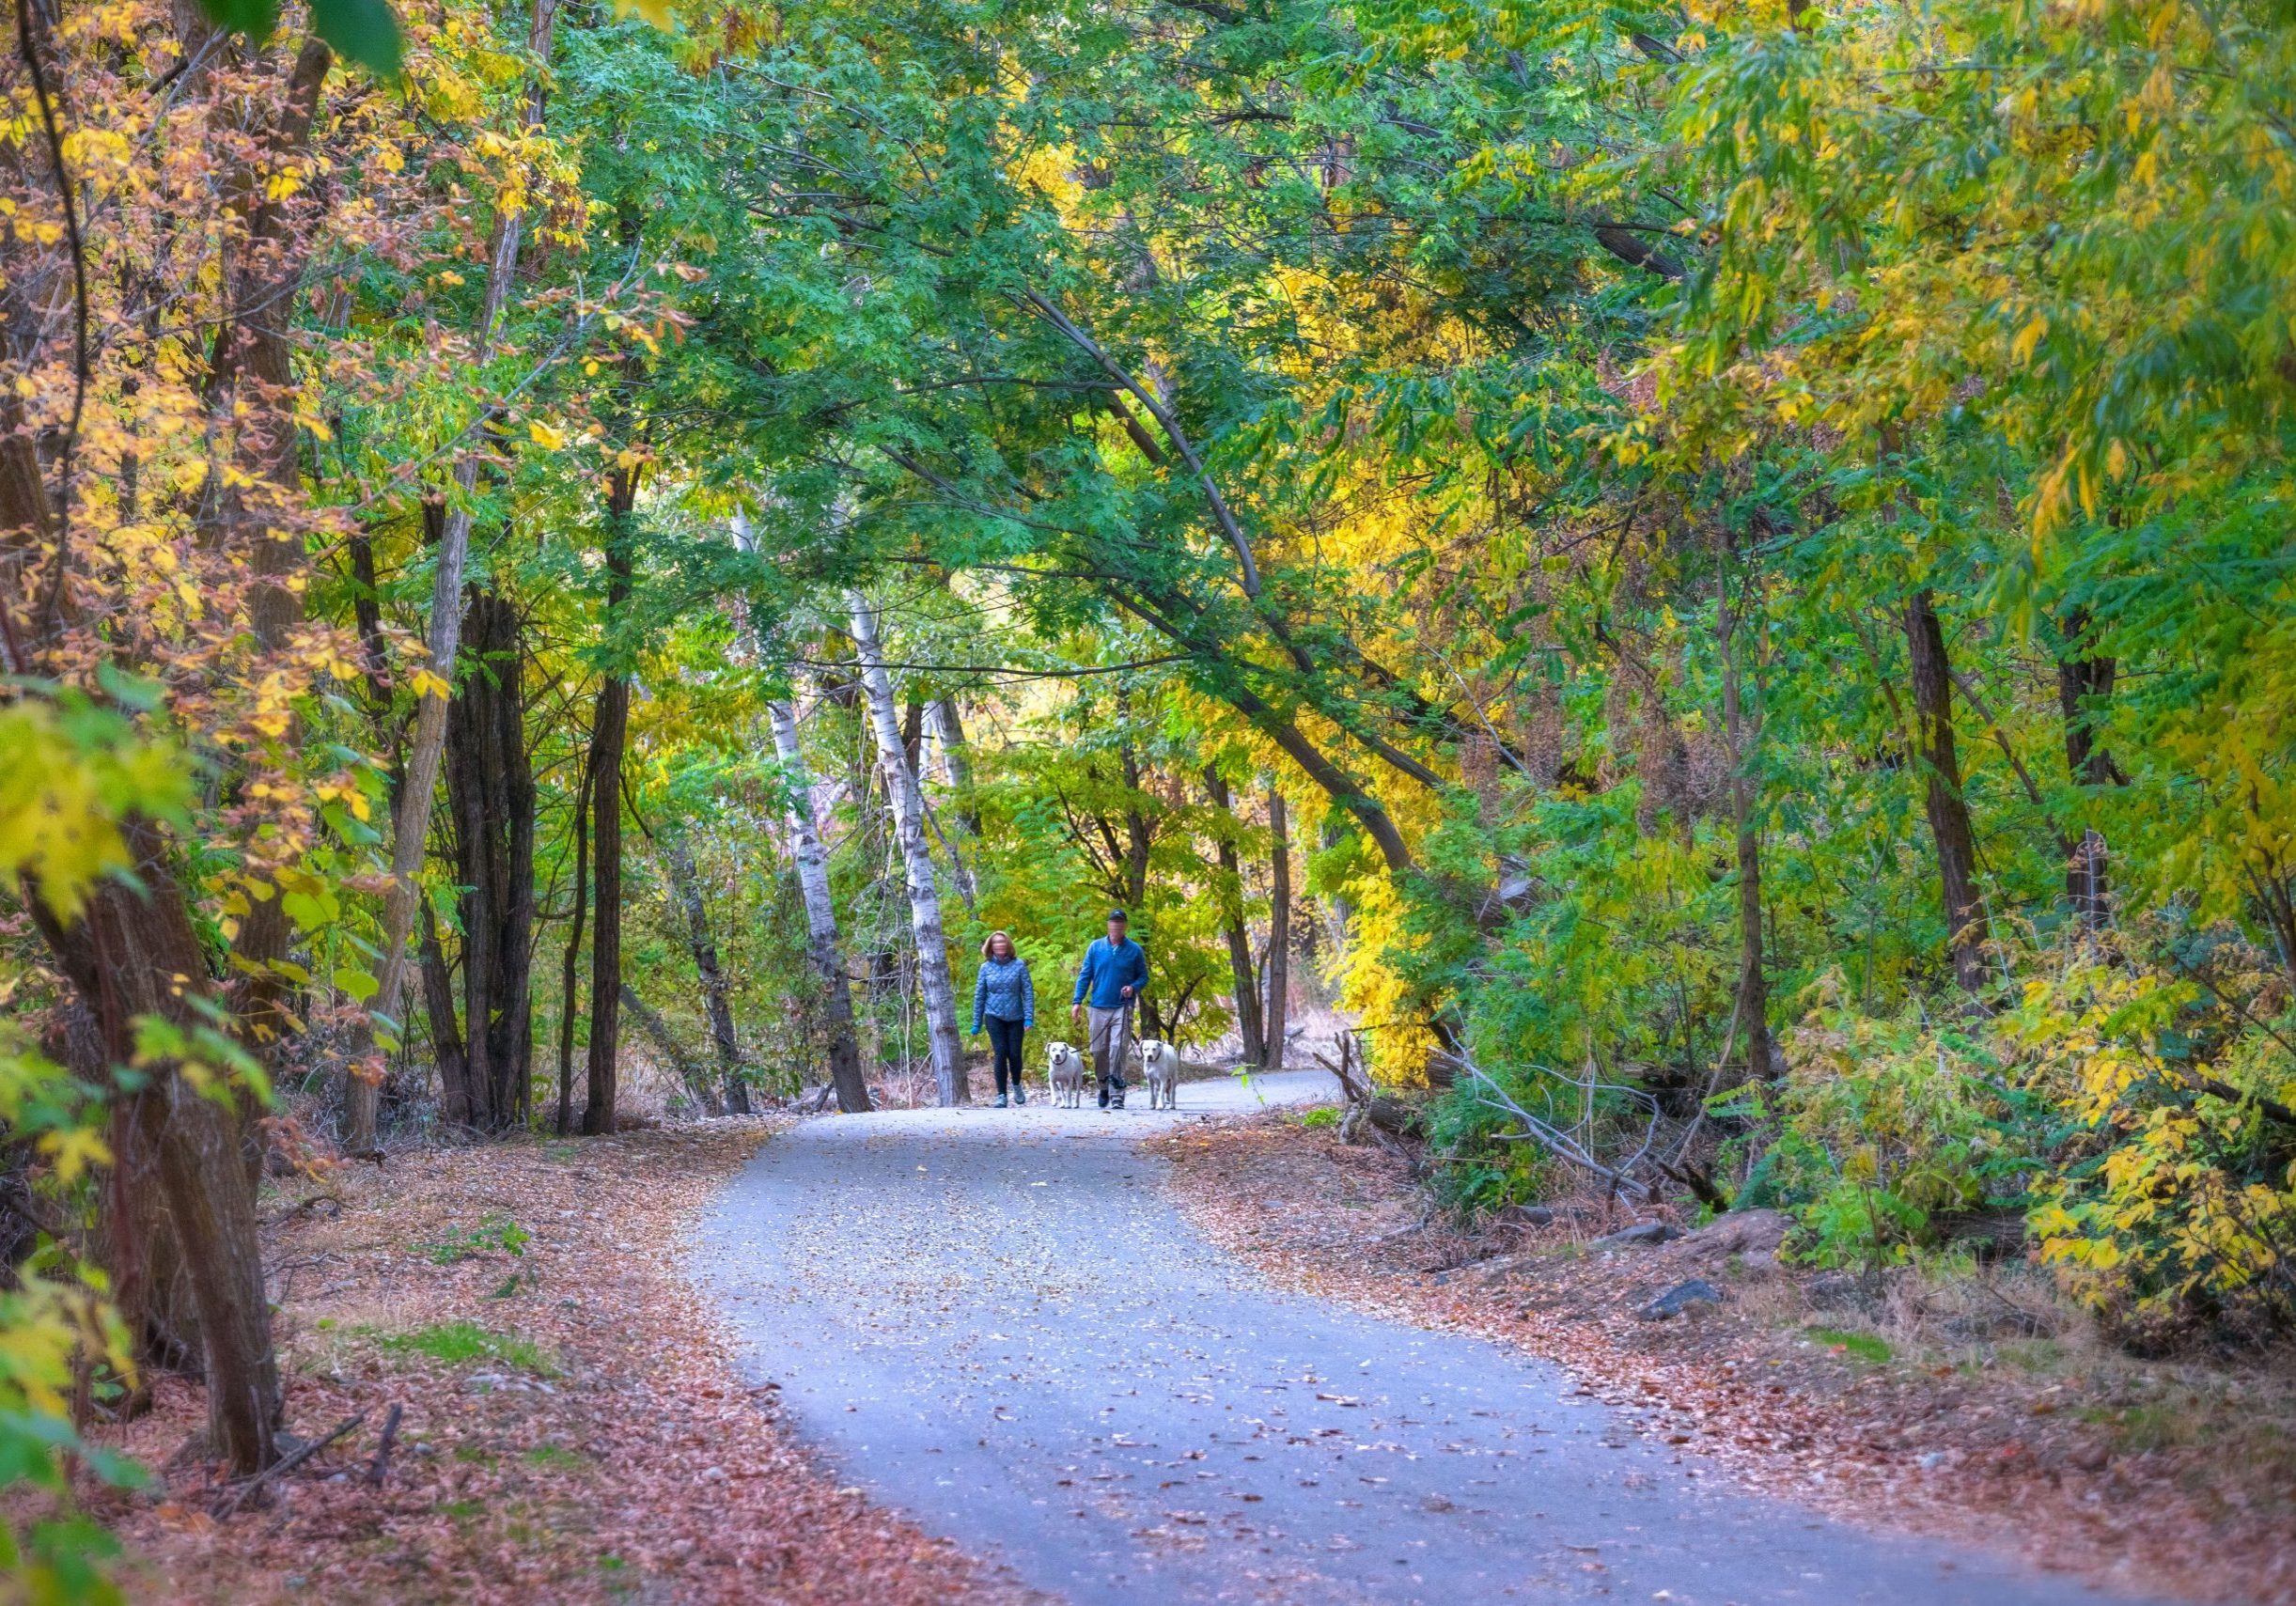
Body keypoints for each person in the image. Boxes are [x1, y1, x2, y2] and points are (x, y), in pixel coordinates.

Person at [1070, 909, 1148, 1110]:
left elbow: (1143, 976)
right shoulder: (1096, 948)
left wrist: (1133, 987)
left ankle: (1117, 1094)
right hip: (1098, 1006)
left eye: (1120, 922)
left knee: (1117, 1049)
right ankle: (1103, 1086)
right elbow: (1085, 975)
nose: (1116, 925)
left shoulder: (1134, 950)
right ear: (1108, 925)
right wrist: (1077, 1001)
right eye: (1113, 922)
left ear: (1125, 926)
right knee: (1099, 1051)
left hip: (1122, 1007)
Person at [971, 930, 1036, 1108]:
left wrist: (1029, 1017)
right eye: (996, 942)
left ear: (1008, 945)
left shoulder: (1019, 965)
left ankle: (1016, 1084)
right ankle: (1001, 1095)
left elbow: (1028, 993)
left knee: (1014, 1054)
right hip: (993, 1016)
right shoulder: (985, 968)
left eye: (1002, 942)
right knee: (1000, 1053)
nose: (1000, 945)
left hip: (1016, 1016)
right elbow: (979, 995)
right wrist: (976, 1022)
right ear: (991, 946)